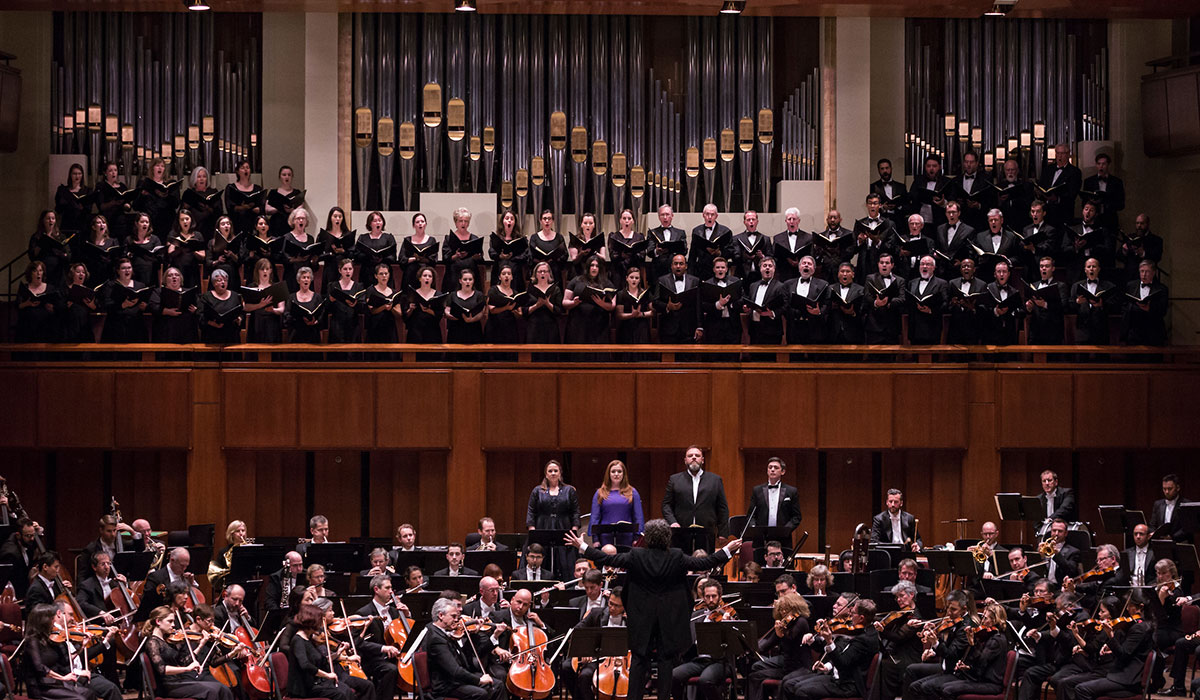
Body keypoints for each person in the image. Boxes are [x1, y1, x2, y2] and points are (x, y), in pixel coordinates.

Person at [564, 520, 741, 700]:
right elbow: (705, 563)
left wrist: (583, 546)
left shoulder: (636, 555)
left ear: (647, 537)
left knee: (639, 660)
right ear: (667, 537)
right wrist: (727, 550)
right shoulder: (676, 556)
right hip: (668, 619)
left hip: (642, 619)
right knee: (665, 661)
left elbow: (607, 559)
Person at [780, 598, 881, 700]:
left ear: (861, 618)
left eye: (853, 613)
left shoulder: (863, 639)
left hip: (847, 685)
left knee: (801, 691)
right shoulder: (868, 632)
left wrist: (829, 641)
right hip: (838, 677)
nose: (850, 616)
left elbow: (842, 664)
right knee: (793, 686)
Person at [22, 602, 121, 700]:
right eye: (52, 619)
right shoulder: (32, 641)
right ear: (43, 621)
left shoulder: (49, 638)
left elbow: (65, 660)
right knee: (81, 698)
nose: (53, 622)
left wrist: (82, 646)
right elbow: (40, 668)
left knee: (89, 693)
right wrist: (63, 678)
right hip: (42, 685)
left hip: (56, 681)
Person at [142, 604, 235, 700]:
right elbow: (162, 669)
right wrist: (187, 669)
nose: (173, 625)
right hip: (168, 686)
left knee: (223, 689)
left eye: (173, 621)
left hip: (178, 681)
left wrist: (200, 645)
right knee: (212, 691)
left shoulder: (165, 640)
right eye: (170, 621)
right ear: (158, 621)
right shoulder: (152, 642)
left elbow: (183, 661)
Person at [424, 596, 504, 700]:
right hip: (446, 685)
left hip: (456, 680)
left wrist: (474, 634)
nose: (457, 620)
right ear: (441, 615)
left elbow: (466, 659)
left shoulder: (447, 632)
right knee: (480, 693)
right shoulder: (436, 638)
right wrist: (479, 680)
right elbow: (455, 671)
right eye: (453, 616)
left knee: (498, 685)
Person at [661, 446, 730, 554]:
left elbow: (722, 507)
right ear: (685, 460)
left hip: (706, 531)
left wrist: (723, 532)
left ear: (702, 460)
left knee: (705, 566)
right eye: (690, 456)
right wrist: (672, 522)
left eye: (697, 455)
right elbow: (666, 505)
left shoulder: (715, 480)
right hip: (681, 532)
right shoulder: (674, 480)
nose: (693, 458)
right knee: (681, 566)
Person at [285, 603, 358, 700]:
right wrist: (327, 675)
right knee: (340, 695)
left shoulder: (309, 638)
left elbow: (323, 660)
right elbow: (305, 665)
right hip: (304, 688)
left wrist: (337, 653)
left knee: (347, 690)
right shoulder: (298, 640)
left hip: (315, 682)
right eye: (319, 622)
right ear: (312, 622)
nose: (320, 626)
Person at [746, 592, 811, 700]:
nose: (784, 612)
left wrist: (780, 633)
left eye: (787, 608)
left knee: (757, 677)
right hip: (787, 667)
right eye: (781, 609)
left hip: (799, 668)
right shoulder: (784, 625)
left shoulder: (801, 622)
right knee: (754, 675)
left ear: (795, 608)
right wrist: (750, 649)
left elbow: (791, 638)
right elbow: (768, 644)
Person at [526, 459, 580, 575]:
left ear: (560, 473)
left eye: (556, 471)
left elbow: (575, 511)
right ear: (546, 474)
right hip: (542, 527)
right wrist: (533, 532)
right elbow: (531, 511)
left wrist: (574, 530)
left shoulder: (569, 490)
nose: (553, 473)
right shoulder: (537, 490)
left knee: (566, 561)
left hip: (564, 527)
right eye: (550, 471)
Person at [589, 460, 645, 548]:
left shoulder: (632, 492)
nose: (616, 474)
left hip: (627, 537)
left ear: (624, 474)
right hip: (605, 537)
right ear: (608, 474)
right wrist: (595, 539)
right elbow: (595, 517)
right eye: (613, 471)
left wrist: (637, 537)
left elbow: (638, 516)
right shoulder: (600, 493)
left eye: (619, 471)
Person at [562, 255, 615, 345]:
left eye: (597, 266)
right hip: (578, 322)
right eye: (592, 265)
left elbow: (612, 306)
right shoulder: (576, 280)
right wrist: (573, 303)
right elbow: (564, 302)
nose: (594, 268)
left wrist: (601, 303)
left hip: (599, 324)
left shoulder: (607, 283)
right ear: (587, 267)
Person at [654, 254, 703, 344]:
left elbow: (698, 305)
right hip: (668, 329)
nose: (678, 266)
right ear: (671, 266)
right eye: (675, 264)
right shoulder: (662, 280)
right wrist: (667, 306)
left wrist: (699, 327)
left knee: (687, 357)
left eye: (681, 264)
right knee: (668, 357)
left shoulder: (695, 281)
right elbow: (655, 302)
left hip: (689, 329)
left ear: (686, 266)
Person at [99, 257, 149, 343]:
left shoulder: (140, 286)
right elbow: (106, 304)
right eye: (123, 268)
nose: (127, 270)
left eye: (129, 268)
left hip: (136, 326)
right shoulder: (111, 285)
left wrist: (145, 307)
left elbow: (146, 303)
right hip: (115, 326)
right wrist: (123, 305)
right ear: (118, 271)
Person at [1120, 260, 1168, 346]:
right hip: (1134, 333)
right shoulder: (1131, 286)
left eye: (1147, 271)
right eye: (1142, 271)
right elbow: (1124, 306)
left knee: (1153, 359)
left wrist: (1150, 308)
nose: (1144, 274)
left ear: (1154, 272)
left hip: (1153, 332)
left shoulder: (1162, 289)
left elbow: (1163, 310)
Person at [1069, 257, 1115, 344]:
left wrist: (1102, 305)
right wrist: (1077, 302)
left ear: (1098, 269)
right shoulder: (1076, 286)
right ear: (1085, 270)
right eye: (1089, 267)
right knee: (1082, 357)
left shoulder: (1108, 286)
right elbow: (1070, 305)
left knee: (1102, 357)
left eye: (1094, 266)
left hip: (1101, 330)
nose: (1091, 269)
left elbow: (1114, 306)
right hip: (1082, 330)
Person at [785, 256, 829, 345]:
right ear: (799, 267)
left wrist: (819, 312)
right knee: (795, 358)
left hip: (814, 328)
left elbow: (827, 304)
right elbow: (785, 303)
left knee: (814, 358)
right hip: (794, 328)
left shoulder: (823, 284)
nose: (806, 265)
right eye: (804, 263)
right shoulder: (788, 284)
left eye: (809, 264)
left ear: (813, 269)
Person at [748, 456, 801, 530]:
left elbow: (796, 517)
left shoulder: (791, 491)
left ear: (783, 472)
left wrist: (786, 530)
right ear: (767, 471)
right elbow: (751, 515)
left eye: (776, 468)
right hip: (761, 536)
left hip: (783, 536)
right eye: (770, 467)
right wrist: (754, 529)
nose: (772, 470)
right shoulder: (757, 490)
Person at [1025, 255, 1068, 345]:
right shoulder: (1033, 285)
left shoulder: (1060, 286)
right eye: (1041, 266)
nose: (1043, 268)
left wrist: (1045, 304)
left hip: (1053, 332)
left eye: (1047, 266)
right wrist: (1029, 307)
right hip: (1035, 332)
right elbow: (1027, 309)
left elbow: (1064, 306)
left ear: (1053, 268)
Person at [863, 253, 906, 344]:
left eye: (887, 262)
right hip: (874, 325)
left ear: (892, 265)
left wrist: (889, 302)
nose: (884, 265)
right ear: (878, 264)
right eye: (882, 262)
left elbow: (902, 298)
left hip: (892, 325)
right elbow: (866, 295)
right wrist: (876, 303)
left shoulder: (899, 280)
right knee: (874, 356)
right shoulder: (870, 278)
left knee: (891, 356)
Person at [699, 257, 743, 345]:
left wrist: (731, 304)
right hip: (714, 325)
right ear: (713, 269)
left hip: (732, 325)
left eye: (723, 267)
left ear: (726, 269)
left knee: (732, 355)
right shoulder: (707, 284)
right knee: (714, 356)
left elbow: (742, 299)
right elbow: (703, 305)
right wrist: (718, 304)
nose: (720, 270)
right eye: (718, 267)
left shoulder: (735, 281)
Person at [150, 267, 199, 343]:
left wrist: (195, 310)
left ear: (180, 279)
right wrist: (165, 311)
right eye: (170, 275)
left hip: (186, 330)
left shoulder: (189, 292)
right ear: (165, 279)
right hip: (166, 330)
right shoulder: (159, 292)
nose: (174, 277)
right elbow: (152, 306)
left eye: (177, 275)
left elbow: (199, 307)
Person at [742, 257, 786, 345]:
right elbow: (751, 303)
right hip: (755, 329)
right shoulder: (753, 286)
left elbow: (785, 306)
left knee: (770, 358)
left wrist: (772, 313)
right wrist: (747, 309)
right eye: (764, 265)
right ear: (760, 268)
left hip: (772, 330)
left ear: (774, 269)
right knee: (755, 357)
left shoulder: (781, 286)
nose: (767, 268)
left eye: (770, 266)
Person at [1038, 143, 1082, 227]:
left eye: (1062, 153)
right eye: (1057, 153)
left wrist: (1057, 199)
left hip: (1063, 213)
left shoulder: (1074, 172)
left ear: (1068, 154)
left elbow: (1073, 193)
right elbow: (1041, 185)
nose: (1059, 156)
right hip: (1046, 212)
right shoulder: (1048, 169)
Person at [15, 261, 60, 343]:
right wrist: (27, 304)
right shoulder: (25, 287)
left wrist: (51, 308)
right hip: (28, 325)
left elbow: (57, 307)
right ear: (30, 273)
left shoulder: (50, 288)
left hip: (46, 325)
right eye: (35, 271)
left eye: (40, 270)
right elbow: (18, 305)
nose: (38, 273)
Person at [906, 255, 946, 345]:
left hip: (932, 327)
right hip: (915, 328)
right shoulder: (912, 283)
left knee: (933, 357)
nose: (924, 266)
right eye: (922, 264)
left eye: (928, 264)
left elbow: (945, 303)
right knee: (915, 357)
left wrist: (931, 310)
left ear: (934, 267)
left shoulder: (941, 283)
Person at [442, 207, 484, 292]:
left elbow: (480, 258)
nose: (463, 223)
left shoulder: (474, 238)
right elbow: (446, 258)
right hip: (454, 275)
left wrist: (477, 257)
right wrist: (455, 256)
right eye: (460, 221)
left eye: (466, 221)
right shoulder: (449, 238)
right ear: (456, 223)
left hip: (471, 273)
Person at [198, 268, 244, 345]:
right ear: (213, 283)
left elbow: (241, 312)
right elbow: (200, 315)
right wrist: (211, 323)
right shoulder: (206, 297)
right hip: (212, 335)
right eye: (219, 280)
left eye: (225, 280)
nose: (223, 282)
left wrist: (239, 319)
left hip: (231, 335)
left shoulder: (235, 296)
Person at [244, 258, 285, 344]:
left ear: (271, 271)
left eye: (267, 269)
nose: (265, 271)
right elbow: (246, 307)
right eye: (262, 269)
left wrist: (273, 310)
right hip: (256, 322)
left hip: (272, 323)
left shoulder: (277, 287)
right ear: (257, 271)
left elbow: (282, 309)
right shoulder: (251, 286)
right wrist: (260, 305)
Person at [29, 209, 73, 288]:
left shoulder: (61, 237)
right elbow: (32, 255)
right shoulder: (37, 236)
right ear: (43, 221)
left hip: (57, 271)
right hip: (43, 271)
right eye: (48, 218)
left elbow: (68, 255)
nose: (51, 220)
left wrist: (60, 253)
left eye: (53, 218)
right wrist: (41, 244)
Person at [688, 204, 733, 279]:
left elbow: (731, 251)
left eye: (712, 214)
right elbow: (692, 254)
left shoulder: (726, 231)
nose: (709, 217)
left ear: (716, 216)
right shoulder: (696, 231)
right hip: (701, 271)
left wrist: (719, 253)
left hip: (719, 271)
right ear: (703, 215)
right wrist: (690, 275)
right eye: (707, 214)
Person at [281, 208, 321, 293]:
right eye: (298, 218)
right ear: (293, 221)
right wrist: (296, 259)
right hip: (292, 276)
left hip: (307, 277)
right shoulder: (287, 238)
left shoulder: (310, 238)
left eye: (303, 218)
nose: (301, 220)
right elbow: (283, 258)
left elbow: (313, 263)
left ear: (306, 222)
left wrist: (314, 261)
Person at [165, 209, 207, 289]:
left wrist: (193, 250)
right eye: (182, 219)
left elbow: (203, 256)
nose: (185, 221)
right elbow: (170, 253)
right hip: (178, 268)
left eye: (187, 219)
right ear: (179, 221)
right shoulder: (173, 234)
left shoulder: (197, 235)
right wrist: (180, 249)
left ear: (191, 220)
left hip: (192, 268)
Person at [444, 269, 487, 346]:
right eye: (465, 279)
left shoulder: (479, 295)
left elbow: (481, 312)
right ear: (460, 281)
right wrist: (450, 315)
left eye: (470, 279)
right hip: (456, 328)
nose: (468, 282)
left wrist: (472, 319)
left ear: (473, 281)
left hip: (473, 329)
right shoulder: (452, 295)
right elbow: (447, 310)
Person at [489, 210, 528, 292]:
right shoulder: (496, 238)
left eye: (512, 219)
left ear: (515, 222)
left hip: (516, 271)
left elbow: (526, 255)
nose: (509, 220)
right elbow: (491, 252)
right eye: (507, 218)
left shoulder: (519, 238)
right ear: (502, 221)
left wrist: (513, 257)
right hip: (499, 269)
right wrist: (500, 256)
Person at [317, 207, 355, 291]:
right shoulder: (323, 235)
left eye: (340, 216)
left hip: (344, 270)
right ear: (330, 218)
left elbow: (353, 254)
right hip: (329, 268)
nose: (337, 219)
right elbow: (318, 255)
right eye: (335, 216)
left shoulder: (347, 234)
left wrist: (343, 251)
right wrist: (330, 254)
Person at [327, 258, 364, 344]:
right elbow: (327, 308)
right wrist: (331, 300)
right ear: (340, 270)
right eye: (345, 269)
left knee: (352, 354)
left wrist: (355, 305)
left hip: (353, 325)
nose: (348, 271)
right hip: (337, 325)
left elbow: (362, 307)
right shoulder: (332, 286)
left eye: (350, 269)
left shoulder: (359, 286)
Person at [614, 265, 653, 346]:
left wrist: (641, 314)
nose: (634, 280)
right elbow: (619, 315)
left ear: (640, 280)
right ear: (626, 278)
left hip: (642, 327)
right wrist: (631, 315)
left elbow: (653, 312)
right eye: (631, 277)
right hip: (626, 327)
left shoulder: (645, 293)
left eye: (637, 278)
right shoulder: (621, 294)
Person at [224, 159, 264, 237]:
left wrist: (258, 209)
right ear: (237, 172)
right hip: (237, 223)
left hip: (253, 224)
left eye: (247, 167)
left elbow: (262, 206)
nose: (246, 170)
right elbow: (229, 207)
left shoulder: (257, 188)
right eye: (242, 168)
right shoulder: (231, 188)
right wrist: (242, 207)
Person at [356, 211, 397, 286]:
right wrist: (369, 257)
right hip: (367, 272)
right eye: (375, 221)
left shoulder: (388, 237)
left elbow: (393, 256)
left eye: (380, 220)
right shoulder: (363, 238)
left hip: (384, 272)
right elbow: (357, 256)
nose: (378, 223)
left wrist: (382, 258)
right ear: (370, 224)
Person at [285, 267, 325, 344]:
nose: (306, 279)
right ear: (298, 280)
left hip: (312, 335)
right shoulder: (291, 297)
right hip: (296, 335)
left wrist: (315, 321)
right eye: (304, 277)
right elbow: (286, 317)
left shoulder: (317, 297)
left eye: (308, 277)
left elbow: (322, 317)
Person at [607, 209, 646, 287]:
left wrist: (633, 253)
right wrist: (621, 255)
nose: (627, 221)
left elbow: (642, 256)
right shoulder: (614, 236)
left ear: (633, 221)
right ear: (620, 221)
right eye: (624, 218)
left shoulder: (639, 237)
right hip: (618, 273)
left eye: (629, 218)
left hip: (634, 273)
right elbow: (612, 256)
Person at [772, 207, 813, 282]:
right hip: (783, 274)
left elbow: (811, 256)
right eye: (789, 219)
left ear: (798, 221)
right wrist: (787, 259)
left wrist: (800, 263)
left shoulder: (808, 238)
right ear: (785, 221)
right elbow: (774, 257)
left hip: (802, 275)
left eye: (794, 219)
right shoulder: (777, 238)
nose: (791, 221)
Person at [529, 209, 569, 285]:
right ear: (540, 221)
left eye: (549, 219)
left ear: (553, 221)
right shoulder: (534, 237)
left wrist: (554, 259)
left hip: (555, 271)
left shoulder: (559, 237)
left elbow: (565, 255)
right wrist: (540, 262)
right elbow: (530, 255)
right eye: (544, 219)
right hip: (539, 272)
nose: (547, 221)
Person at [485, 263, 522, 344]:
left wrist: (513, 311)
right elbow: (491, 310)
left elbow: (520, 314)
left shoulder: (515, 293)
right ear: (499, 277)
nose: (506, 276)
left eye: (509, 274)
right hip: (495, 326)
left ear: (512, 277)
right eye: (503, 274)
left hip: (510, 327)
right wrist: (506, 308)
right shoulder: (493, 290)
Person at [731, 210, 772, 284]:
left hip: (760, 275)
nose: (751, 221)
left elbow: (771, 257)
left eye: (753, 219)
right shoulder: (736, 238)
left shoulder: (765, 239)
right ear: (744, 222)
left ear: (757, 221)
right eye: (748, 219)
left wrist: (762, 257)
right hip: (742, 274)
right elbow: (735, 257)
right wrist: (745, 256)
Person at [365, 264, 402, 344]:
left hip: (390, 329)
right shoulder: (371, 290)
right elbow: (371, 310)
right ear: (376, 276)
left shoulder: (394, 293)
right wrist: (384, 307)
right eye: (381, 274)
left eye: (386, 273)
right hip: (375, 328)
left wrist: (391, 308)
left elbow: (399, 314)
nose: (384, 276)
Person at [265, 165, 305, 239]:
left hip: (292, 226)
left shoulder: (297, 193)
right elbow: (267, 209)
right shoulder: (273, 192)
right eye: (284, 175)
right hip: (276, 225)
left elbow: (300, 209)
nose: (287, 177)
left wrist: (292, 211)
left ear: (292, 177)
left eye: (289, 175)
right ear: (280, 177)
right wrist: (279, 209)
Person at [1150, 473, 1192, 542]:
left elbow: (1188, 528)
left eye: (1170, 489)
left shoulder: (1186, 504)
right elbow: (1152, 525)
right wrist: (1155, 534)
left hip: (1181, 543)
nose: (1166, 492)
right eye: (1164, 489)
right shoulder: (1157, 504)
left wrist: (1172, 537)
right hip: (1161, 543)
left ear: (1177, 488)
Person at [55, 163, 92, 241]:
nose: (77, 176)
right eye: (74, 174)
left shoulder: (87, 191)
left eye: (79, 174)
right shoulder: (63, 190)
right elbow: (58, 209)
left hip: (82, 226)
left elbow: (89, 210)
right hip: (67, 224)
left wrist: (81, 207)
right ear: (70, 175)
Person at [206, 215, 242, 291]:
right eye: (223, 224)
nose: (226, 226)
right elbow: (208, 262)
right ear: (218, 228)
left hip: (232, 273)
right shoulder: (212, 242)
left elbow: (240, 261)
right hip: (217, 271)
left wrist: (232, 255)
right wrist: (217, 261)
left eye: (228, 224)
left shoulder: (236, 241)